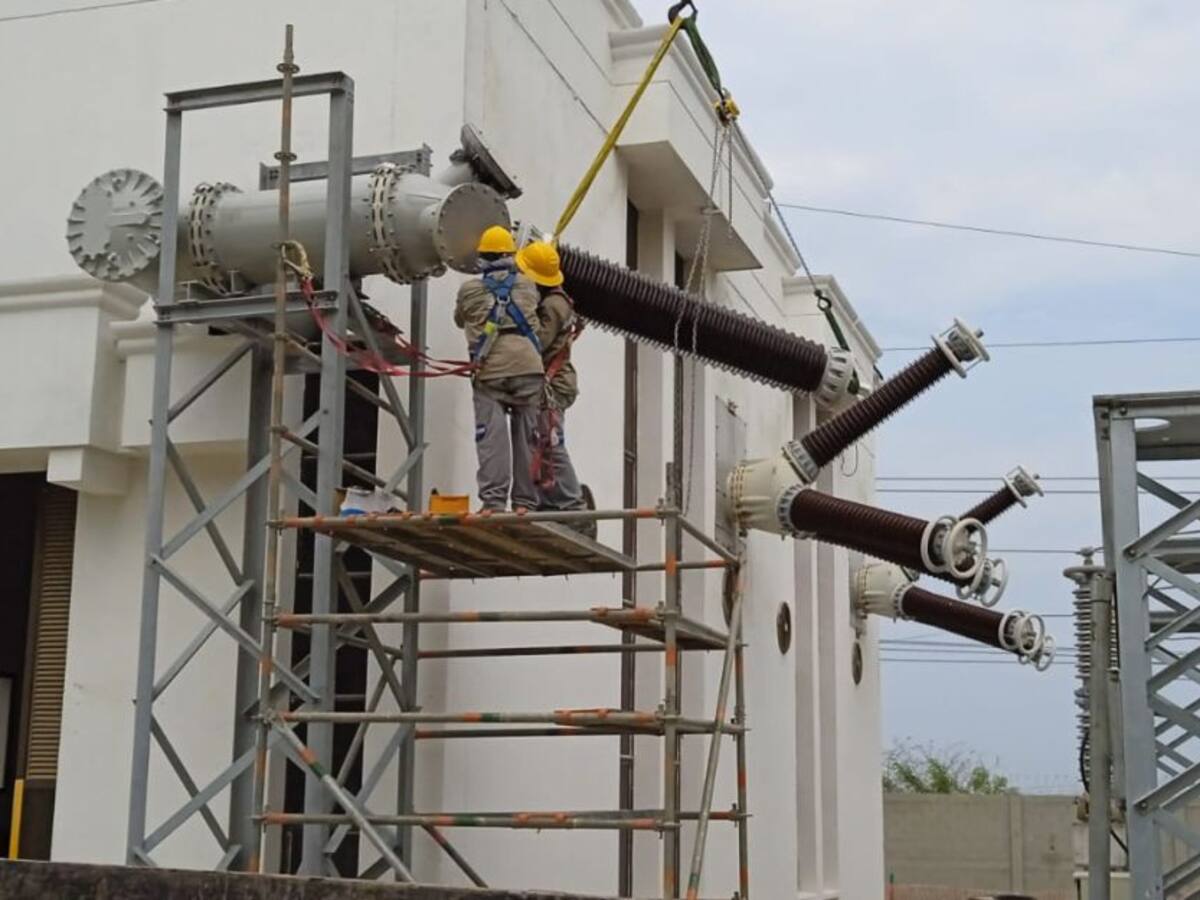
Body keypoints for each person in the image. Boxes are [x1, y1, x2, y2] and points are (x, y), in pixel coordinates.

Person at [454, 226, 544, 512]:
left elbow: (460, 319)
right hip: (529, 367)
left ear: (482, 257)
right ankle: (525, 503)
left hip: (490, 369)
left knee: (491, 437)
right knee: (529, 437)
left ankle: (493, 502)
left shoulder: (469, 290)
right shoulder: (528, 285)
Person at [515, 240, 595, 537]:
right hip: (549, 383)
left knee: (549, 444)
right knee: (540, 444)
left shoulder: (554, 305)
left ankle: (574, 507)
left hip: (553, 384)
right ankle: (554, 502)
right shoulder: (551, 301)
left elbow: (540, 341)